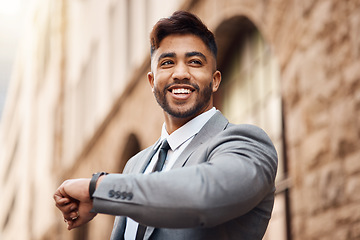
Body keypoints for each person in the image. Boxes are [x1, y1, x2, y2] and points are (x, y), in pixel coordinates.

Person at [54, 11, 278, 240]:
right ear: (152, 81)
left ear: (215, 80)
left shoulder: (249, 144)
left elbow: (202, 196)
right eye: (168, 62)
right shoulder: (135, 164)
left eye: (195, 62)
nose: (180, 73)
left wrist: (97, 189)